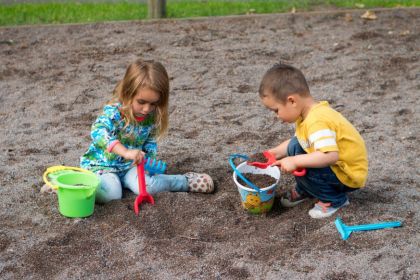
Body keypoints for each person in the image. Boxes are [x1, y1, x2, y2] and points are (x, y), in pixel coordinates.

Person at [80, 59, 214, 203]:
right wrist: (125, 152)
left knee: (148, 186)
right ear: (127, 93)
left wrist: (147, 165)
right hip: (103, 166)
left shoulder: (151, 117)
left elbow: (150, 144)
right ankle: (71, 184)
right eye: (141, 102)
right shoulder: (114, 113)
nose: (146, 109)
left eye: (154, 104)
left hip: (131, 167)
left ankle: (185, 181)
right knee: (111, 195)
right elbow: (98, 131)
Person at [257, 63, 368, 218]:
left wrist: (295, 161)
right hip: (337, 167)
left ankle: (334, 200)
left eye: (276, 110)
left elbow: (329, 155)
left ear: (292, 101)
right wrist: (273, 153)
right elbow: (298, 142)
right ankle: (307, 190)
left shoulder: (317, 121)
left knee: (304, 162)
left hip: (347, 174)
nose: (277, 116)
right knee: (297, 146)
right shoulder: (305, 115)